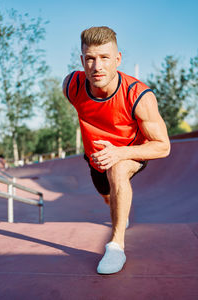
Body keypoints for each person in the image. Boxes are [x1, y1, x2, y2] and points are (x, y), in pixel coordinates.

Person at [62, 26, 170, 274]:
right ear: (82, 60)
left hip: (132, 151)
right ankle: (118, 206)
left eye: (104, 58)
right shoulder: (71, 86)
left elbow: (163, 146)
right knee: (107, 193)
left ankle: (116, 246)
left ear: (118, 59)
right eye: (90, 58)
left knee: (117, 170)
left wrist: (121, 152)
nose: (97, 66)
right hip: (95, 157)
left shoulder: (138, 95)